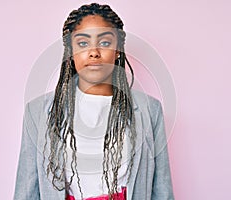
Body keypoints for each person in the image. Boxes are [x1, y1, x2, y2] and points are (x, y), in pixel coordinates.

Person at [14, 3, 174, 200]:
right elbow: (26, 192)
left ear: (118, 50)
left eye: (105, 42)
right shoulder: (37, 112)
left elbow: (162, 192)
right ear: (70, 52)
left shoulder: (150, 109)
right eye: (82, 43)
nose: (94, 52)